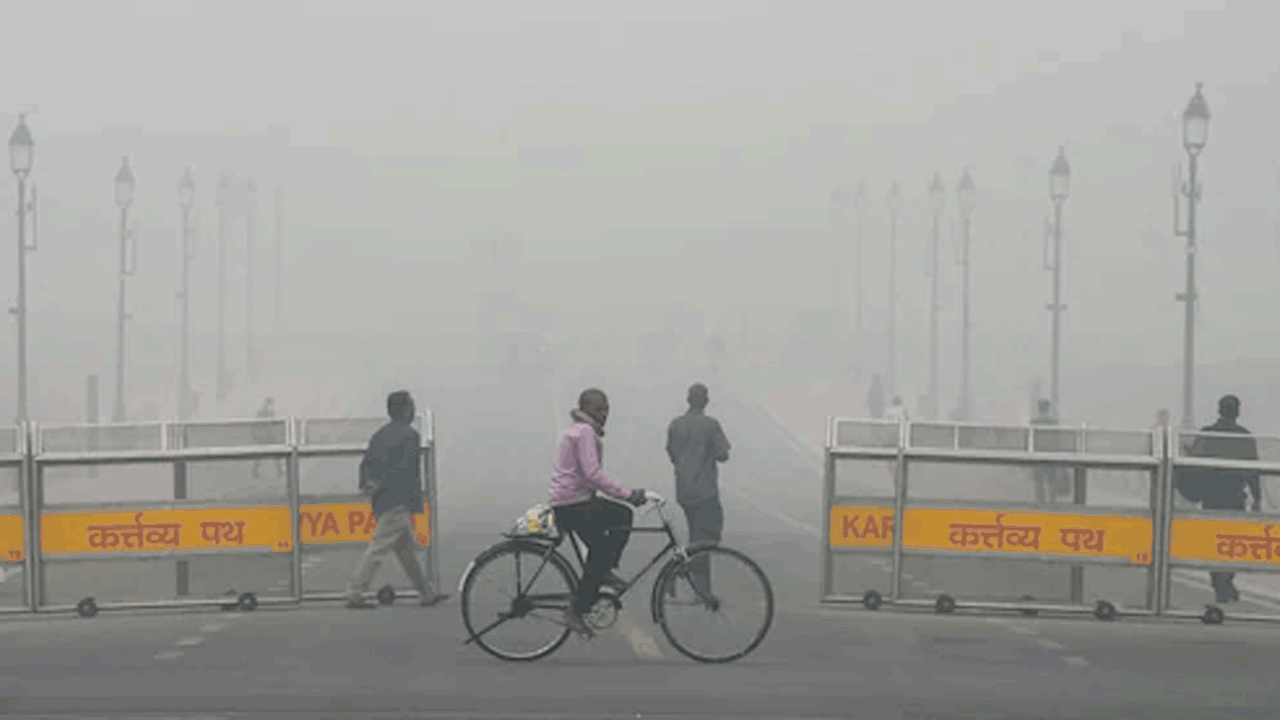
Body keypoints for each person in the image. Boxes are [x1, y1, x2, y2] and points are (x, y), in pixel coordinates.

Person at [550, 388, 648, 638]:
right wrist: (628, 493)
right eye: (598, 409)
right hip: (574, 505)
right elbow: (593, 475)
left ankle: (602, 572)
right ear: (585, 409)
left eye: (607, 409)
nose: (604, 414)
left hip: (570, 503)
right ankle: (578, 608)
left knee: (611, 533)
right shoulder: (584, 432)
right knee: (620, 520)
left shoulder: (577, 430)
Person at [344, 391, 448, 610]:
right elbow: (406, 471)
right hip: (398, 500)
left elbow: (366, 463)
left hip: (381, 500)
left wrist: (368, 484)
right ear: (406, 410)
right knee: (378, 548)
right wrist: (413, 501)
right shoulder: (410, 436)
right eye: (411, 406)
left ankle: (426, 593)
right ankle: (355, 592)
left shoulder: (380, 434)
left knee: (405, 551)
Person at [1187, 394, 1261, 604]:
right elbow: (1254, 471)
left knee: (1213, 542)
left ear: (1219, 410)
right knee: (1233, 543)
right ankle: (1225, 580)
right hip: (1235, 497)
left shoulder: (1207, 434)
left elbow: (1193, 462)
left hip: (1211, 497)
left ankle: (1220, 582)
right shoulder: (1244, 437)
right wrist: (1257, 499)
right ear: (1237, 411)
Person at [666, 383, 732, 599]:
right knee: (709, 538)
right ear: (706, 400)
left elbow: (672, 453)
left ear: (687, 399)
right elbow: (723, 454)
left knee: (696, 536)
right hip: (706, 491)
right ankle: (681, 571)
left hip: (684, 490)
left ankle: (697, 586)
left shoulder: (675, 424)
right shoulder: (711, 425)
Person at [252, 397, 284, 479]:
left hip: (268, 436)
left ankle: (279, 471)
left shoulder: (268, 412)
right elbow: (257, 424)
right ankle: (255, 472)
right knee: (260, 455)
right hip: (264, 436)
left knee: (275, 454)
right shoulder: (263, 413)